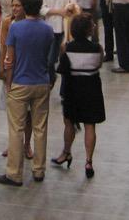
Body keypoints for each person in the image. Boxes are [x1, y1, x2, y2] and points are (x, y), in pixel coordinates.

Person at [0, 0, 55, 187]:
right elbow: (48, 57)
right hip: (41, 82)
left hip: (20, 82)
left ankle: (14, 173)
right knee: (40, 127)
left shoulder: (16, 29)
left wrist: (9, 83)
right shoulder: (47, 29)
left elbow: (10, 59)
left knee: (16, 129)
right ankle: (39, 170)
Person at [51, 13, 105, 178]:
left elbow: (63, 65)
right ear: (88, 30)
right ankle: (89, 161)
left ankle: (66, 152)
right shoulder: (97, 48)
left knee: (69, 123)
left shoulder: (66, 47)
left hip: (72, 89)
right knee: (90, 125)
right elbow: (99, 64)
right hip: (92, 88)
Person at [39, 0, 78, 83]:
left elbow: (73, 5)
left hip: (65, 28)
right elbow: (42, 9)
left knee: (65, 60)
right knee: (49, 60)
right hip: (49, 27)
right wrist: (59, 11)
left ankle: (64, 89)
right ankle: (51, 79)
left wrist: (69, 8)